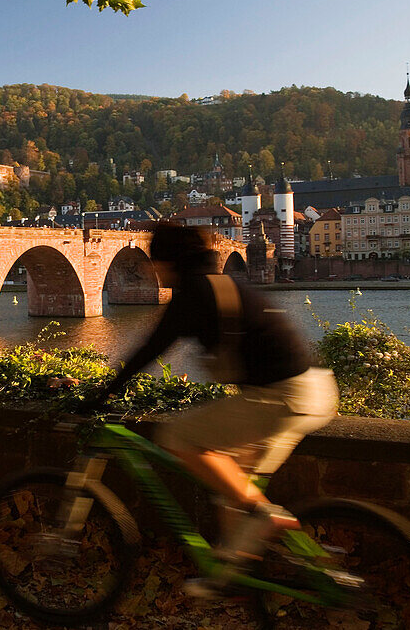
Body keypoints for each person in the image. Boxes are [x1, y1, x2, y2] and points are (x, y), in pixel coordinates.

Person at [82, 223, 339, 593]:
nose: (155, 270)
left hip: (279, 397)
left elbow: (148, 351)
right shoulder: (224, 284)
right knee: (233, 483)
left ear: (169, 261)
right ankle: (236, 573)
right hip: (315, 390)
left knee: (176, 435)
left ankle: (266, 519)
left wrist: (100, 395)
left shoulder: (194, 295)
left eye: (157, 262)